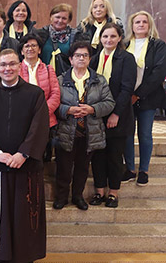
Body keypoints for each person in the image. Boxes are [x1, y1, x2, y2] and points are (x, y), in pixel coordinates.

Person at [0, 48, 49, 263]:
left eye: (12, 64)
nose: (8, 68)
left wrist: (23, 153)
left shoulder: (35, 94)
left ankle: (25, 253)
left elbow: (40, 126)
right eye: (3, 65)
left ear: (20, 66)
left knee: (23, 212)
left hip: (25, 166)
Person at [53, 42, 115, 211]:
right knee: (64, 169)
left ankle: (78, 196)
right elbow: (52, 104)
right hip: (66, 132)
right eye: (77, 56)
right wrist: (68, 110)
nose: (81, 58)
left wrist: (92, 109)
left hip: (89, 132)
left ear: (89, 59)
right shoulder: (60, 80)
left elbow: (109, 103)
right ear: (71, 60)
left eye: (85, 55)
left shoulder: (99, 80)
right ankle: (61, 197)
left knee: (82, 168)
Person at [89, 23, 137, 208]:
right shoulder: (94, 59)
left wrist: (115, 113)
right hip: (97, 115)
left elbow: (127, 89)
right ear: (100, 39)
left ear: (119, 38)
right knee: (98, 155)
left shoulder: (126, 58)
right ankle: (99, 191)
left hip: (119, 115)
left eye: (112, 36)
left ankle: (113, 193)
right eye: (105, 37)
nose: (108, 40)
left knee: (115, 155)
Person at [122, 11, 166, 186]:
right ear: (132, 26)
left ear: (149, 25)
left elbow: (158, 72)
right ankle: (130, 169)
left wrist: (138, 94)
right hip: (127, 97)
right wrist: (128, 95)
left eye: (144, 22)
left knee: (145, 134)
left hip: (148, 96)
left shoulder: (158, 45)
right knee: (127, 134)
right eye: (137, 22)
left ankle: (144, 170)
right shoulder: (124, 45)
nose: (140, 25)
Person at [18, 33, 60, 162]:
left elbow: (55, 94)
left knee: (40, 158)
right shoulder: (16, 69)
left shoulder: (48, 69)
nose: (30, 48)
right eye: (27, 46)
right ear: (22, 50)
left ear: (40, 49)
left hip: (45, 120)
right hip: (21, 120)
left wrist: (41, 113)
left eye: (34, 46)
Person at [36, 3, 81, 76]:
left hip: (66, 78)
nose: (60, 21)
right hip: (42, 76)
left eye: (64, 18)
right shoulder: (40, 35)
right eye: (57, 17)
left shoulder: (76, 36)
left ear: (69, 20)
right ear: (51, 17)